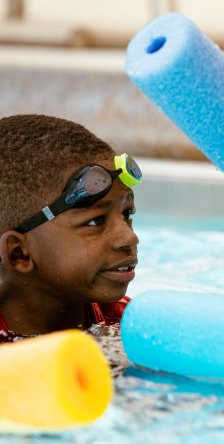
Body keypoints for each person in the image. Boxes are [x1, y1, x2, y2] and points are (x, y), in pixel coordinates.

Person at [0, 114, 142, 343]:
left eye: (127, 214)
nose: (129, 237)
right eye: (95, 222)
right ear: (19, 253)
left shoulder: (126, 323)